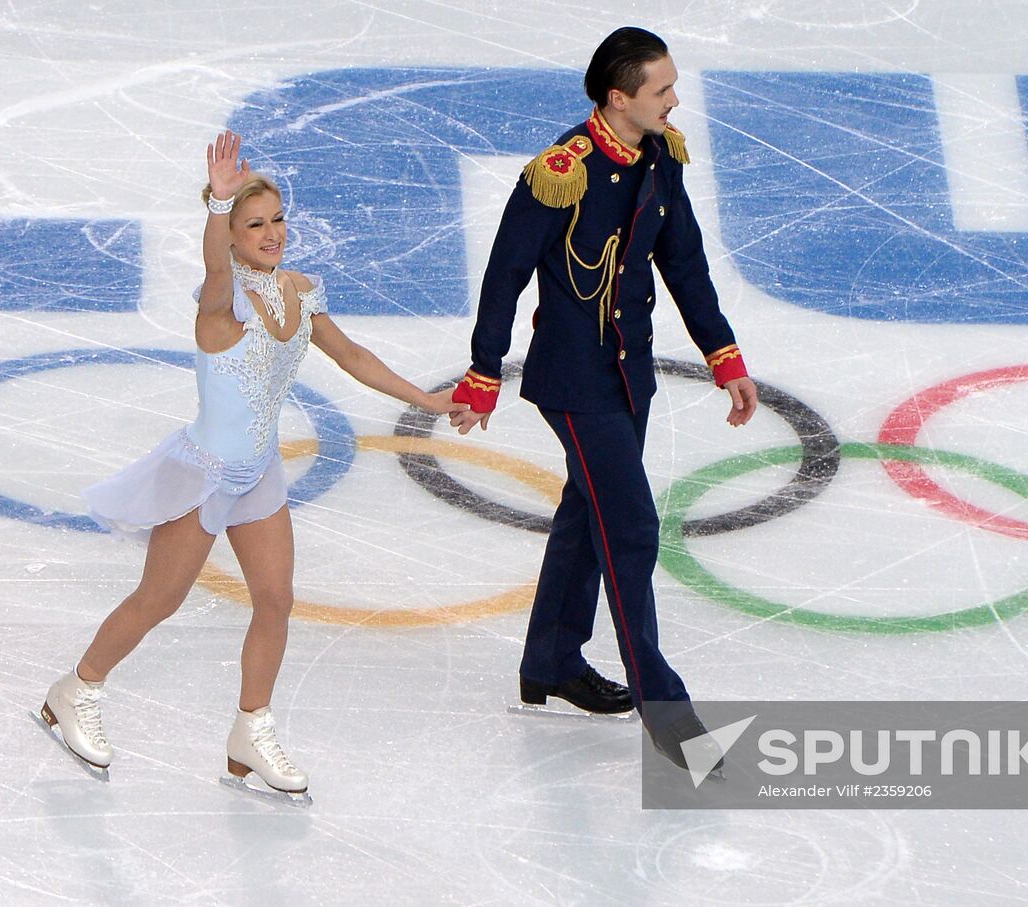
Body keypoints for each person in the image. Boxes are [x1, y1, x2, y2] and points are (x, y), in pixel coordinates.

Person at [40, 130, 466, 795]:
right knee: (160, 599)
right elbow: (214, 267)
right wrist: (216, 201)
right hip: (206, 473)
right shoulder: (221, 302)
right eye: (253, 224)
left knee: (275, 600)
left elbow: (352, 357)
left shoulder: (299, 290)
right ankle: (75, 689)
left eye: (276, 220)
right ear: (233, 235)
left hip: (259, 472)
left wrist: (425, 400)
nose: (270, 233)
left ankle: (251, 728)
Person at [449, 27, 758, 770]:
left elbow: (684, 263)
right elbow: (504, 274)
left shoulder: (658, 156)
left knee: (589, 513)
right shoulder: (561, 171)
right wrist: (484, 370)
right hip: (575, 379)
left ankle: (552, 659)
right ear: (619, 99)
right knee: (630, 528)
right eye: (661, 90)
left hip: (630, 371)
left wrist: (726, 356)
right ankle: (673, 720)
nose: (675, 100)